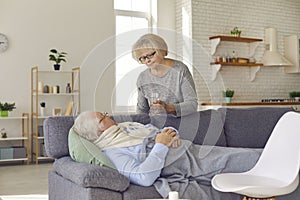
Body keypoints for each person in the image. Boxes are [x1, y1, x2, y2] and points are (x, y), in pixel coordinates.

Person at [73, 111, 262, 199]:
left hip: (189, 149)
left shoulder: (126, 128)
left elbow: (156, 130)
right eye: (102, 118)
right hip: (189, 162)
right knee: (254, 161)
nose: (108, 115)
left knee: (250, 156)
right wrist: (161, 145)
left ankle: (286, 160)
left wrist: (171, 133)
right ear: (98, 131)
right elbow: (144, 177)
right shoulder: (114, 152)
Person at [132, 33, 198, 117]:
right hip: (155, 126)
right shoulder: (142, 78)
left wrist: (168, 108)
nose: (147, 61)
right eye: (143, 58)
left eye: (150, 55)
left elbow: (192, 105)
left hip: (180, 124)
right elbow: (142, 111)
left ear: (161, 50)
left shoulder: (180, 70)